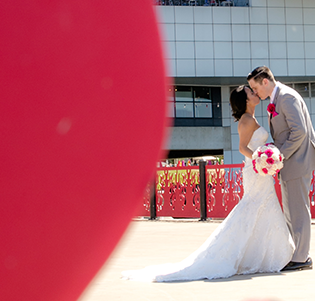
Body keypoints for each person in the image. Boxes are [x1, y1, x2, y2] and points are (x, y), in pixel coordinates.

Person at [122, 85, 294, 282]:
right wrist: (259, 159)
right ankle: (261, 256)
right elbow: (242, 148)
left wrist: (265, 156)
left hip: (259, 171)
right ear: (245, 101)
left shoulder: (251, 118)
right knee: (254, 208)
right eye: (251, 93)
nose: (255, 94)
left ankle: (265, 255)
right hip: (255, 171)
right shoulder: (246, 120)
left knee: (263, 209)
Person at [247, 66, 315, 271]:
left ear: (265, 81)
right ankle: (296, 254)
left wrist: (279, 155)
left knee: (298, 210)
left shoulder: (287, 97)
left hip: (297, 160)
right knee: (291, 210)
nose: (255, 93)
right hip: (290, 162)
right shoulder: (278, 98)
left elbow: (299, 131)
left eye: (255, 88)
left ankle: (302, 258)